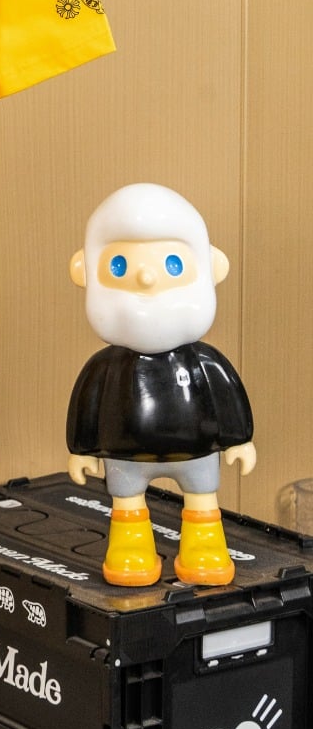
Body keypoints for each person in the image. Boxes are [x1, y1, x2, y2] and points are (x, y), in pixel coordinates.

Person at [66, 183, 255, 586]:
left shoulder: (203, 362)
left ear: (213, 267)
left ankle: (204, 546)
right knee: (127, 503)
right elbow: (89, 401)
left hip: (197, 451)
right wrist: (81, 448)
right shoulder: (106, 367)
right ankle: (130, 547)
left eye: (172, 264)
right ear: (84, 271)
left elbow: (226, 393)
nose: (147, 276)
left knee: (202, 498)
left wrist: (239, 438)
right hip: (126, 456)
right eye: (119, 266)